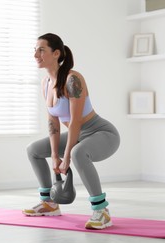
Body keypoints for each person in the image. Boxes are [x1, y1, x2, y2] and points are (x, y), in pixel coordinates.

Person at [23, 33, 120, 230]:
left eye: (41, 50)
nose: (36, 55)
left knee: (77, 153)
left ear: (56, 53)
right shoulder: (46, 84)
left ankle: (102, 211)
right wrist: (53, 155)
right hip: (79, 135)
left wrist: (65, 156)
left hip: (102, 133)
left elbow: (75, 121)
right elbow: (53, 122)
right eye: (35, 50)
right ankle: (49, 203)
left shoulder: (72, 79)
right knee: (33, 150)